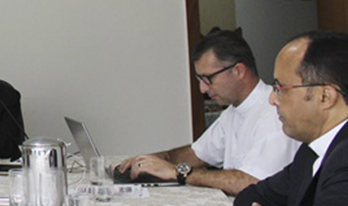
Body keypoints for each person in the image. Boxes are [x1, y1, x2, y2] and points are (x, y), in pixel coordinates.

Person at [232, 31, 348, 206]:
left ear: (325, 96)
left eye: (280, 87)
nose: (272, 99)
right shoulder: (312, 151)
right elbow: (250, 197)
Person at [118, 30, 298, 195]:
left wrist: (179, 172)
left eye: (208, 78)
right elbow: (198, 153)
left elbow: (252, 182)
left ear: (238, 71)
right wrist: (157, 159)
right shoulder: (233, 112)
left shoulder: (273, 114)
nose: (203, 89)